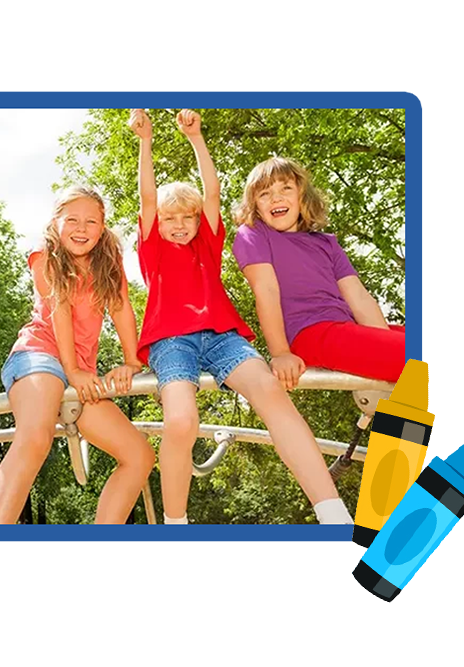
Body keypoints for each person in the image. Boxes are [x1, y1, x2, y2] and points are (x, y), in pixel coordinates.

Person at [129, 108, 352, 525]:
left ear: (199, 220)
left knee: (271, 391)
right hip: (172, 339)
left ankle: (332, 512)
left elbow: (211, 192)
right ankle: (175, 524)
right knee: (181, 420)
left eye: (188, 217)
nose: (179, 224)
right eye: (169, 218)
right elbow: (146, 198)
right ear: (156, 224)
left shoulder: (207, 247)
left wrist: (196, 138)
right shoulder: (154, 253)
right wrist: (146, 142)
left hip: (221, 336)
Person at [0, 186, 156, 525]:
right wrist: (73, 370)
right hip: (40, 356)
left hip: (79, 372)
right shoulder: (44, 253)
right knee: (36, 435)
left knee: (139, 454)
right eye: (72, 220)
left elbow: (121, 308)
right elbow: (59, 307)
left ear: (103, 226)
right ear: (55, 222)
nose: (81, 229)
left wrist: (131, 360)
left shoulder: (107, 259)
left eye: (91, 221)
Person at [232, 156, 405, 385]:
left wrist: (382, 342)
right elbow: (266, 291)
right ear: (255, 206)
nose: (276, 197)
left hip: (346, 329)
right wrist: (281, 352)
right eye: (264, 193)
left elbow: (358, 297)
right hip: (311, 332)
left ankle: (419, 419)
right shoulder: (254, 234)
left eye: (286, 188)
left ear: (302, 196)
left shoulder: (326, 243)